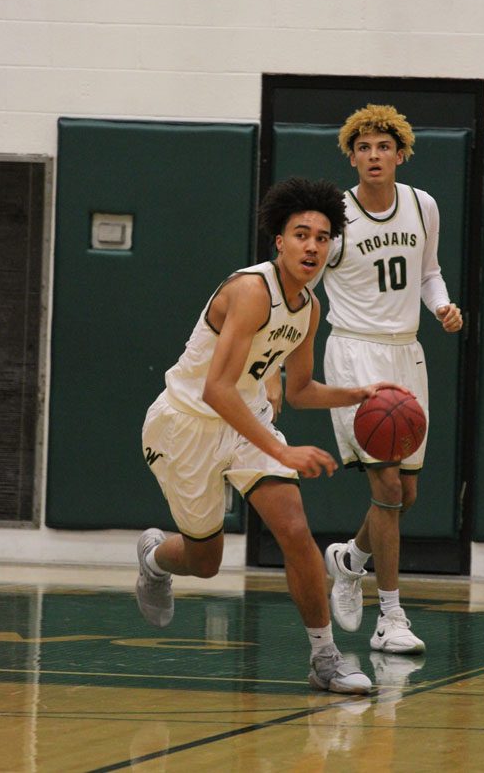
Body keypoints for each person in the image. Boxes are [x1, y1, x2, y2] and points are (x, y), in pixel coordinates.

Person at [136, 177, 403, 694]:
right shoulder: (250, 291)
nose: (312, 246)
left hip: (246, 424)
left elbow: (300, 390)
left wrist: (358, 394)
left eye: (323, 238)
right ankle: (153, 557)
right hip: (184, 426)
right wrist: (281, 448)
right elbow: (216, 389)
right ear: (279, 241)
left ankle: (324, 657)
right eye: (301, 234)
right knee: (205, 562)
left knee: (296, 530)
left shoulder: (309, 307)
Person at [317, 104, 463, 654]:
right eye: (363, 147)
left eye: (383, 146)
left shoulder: (423, 206)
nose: (373, 156)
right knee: (386, 486)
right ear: (351, 156)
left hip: (407, 354)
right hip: (355, 354)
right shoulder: (335, 215)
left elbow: (429, 273)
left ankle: (350, 559)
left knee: (408, 494)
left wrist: (443, 307)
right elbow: (306, 280)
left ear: (400, 154)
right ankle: (391, 618)